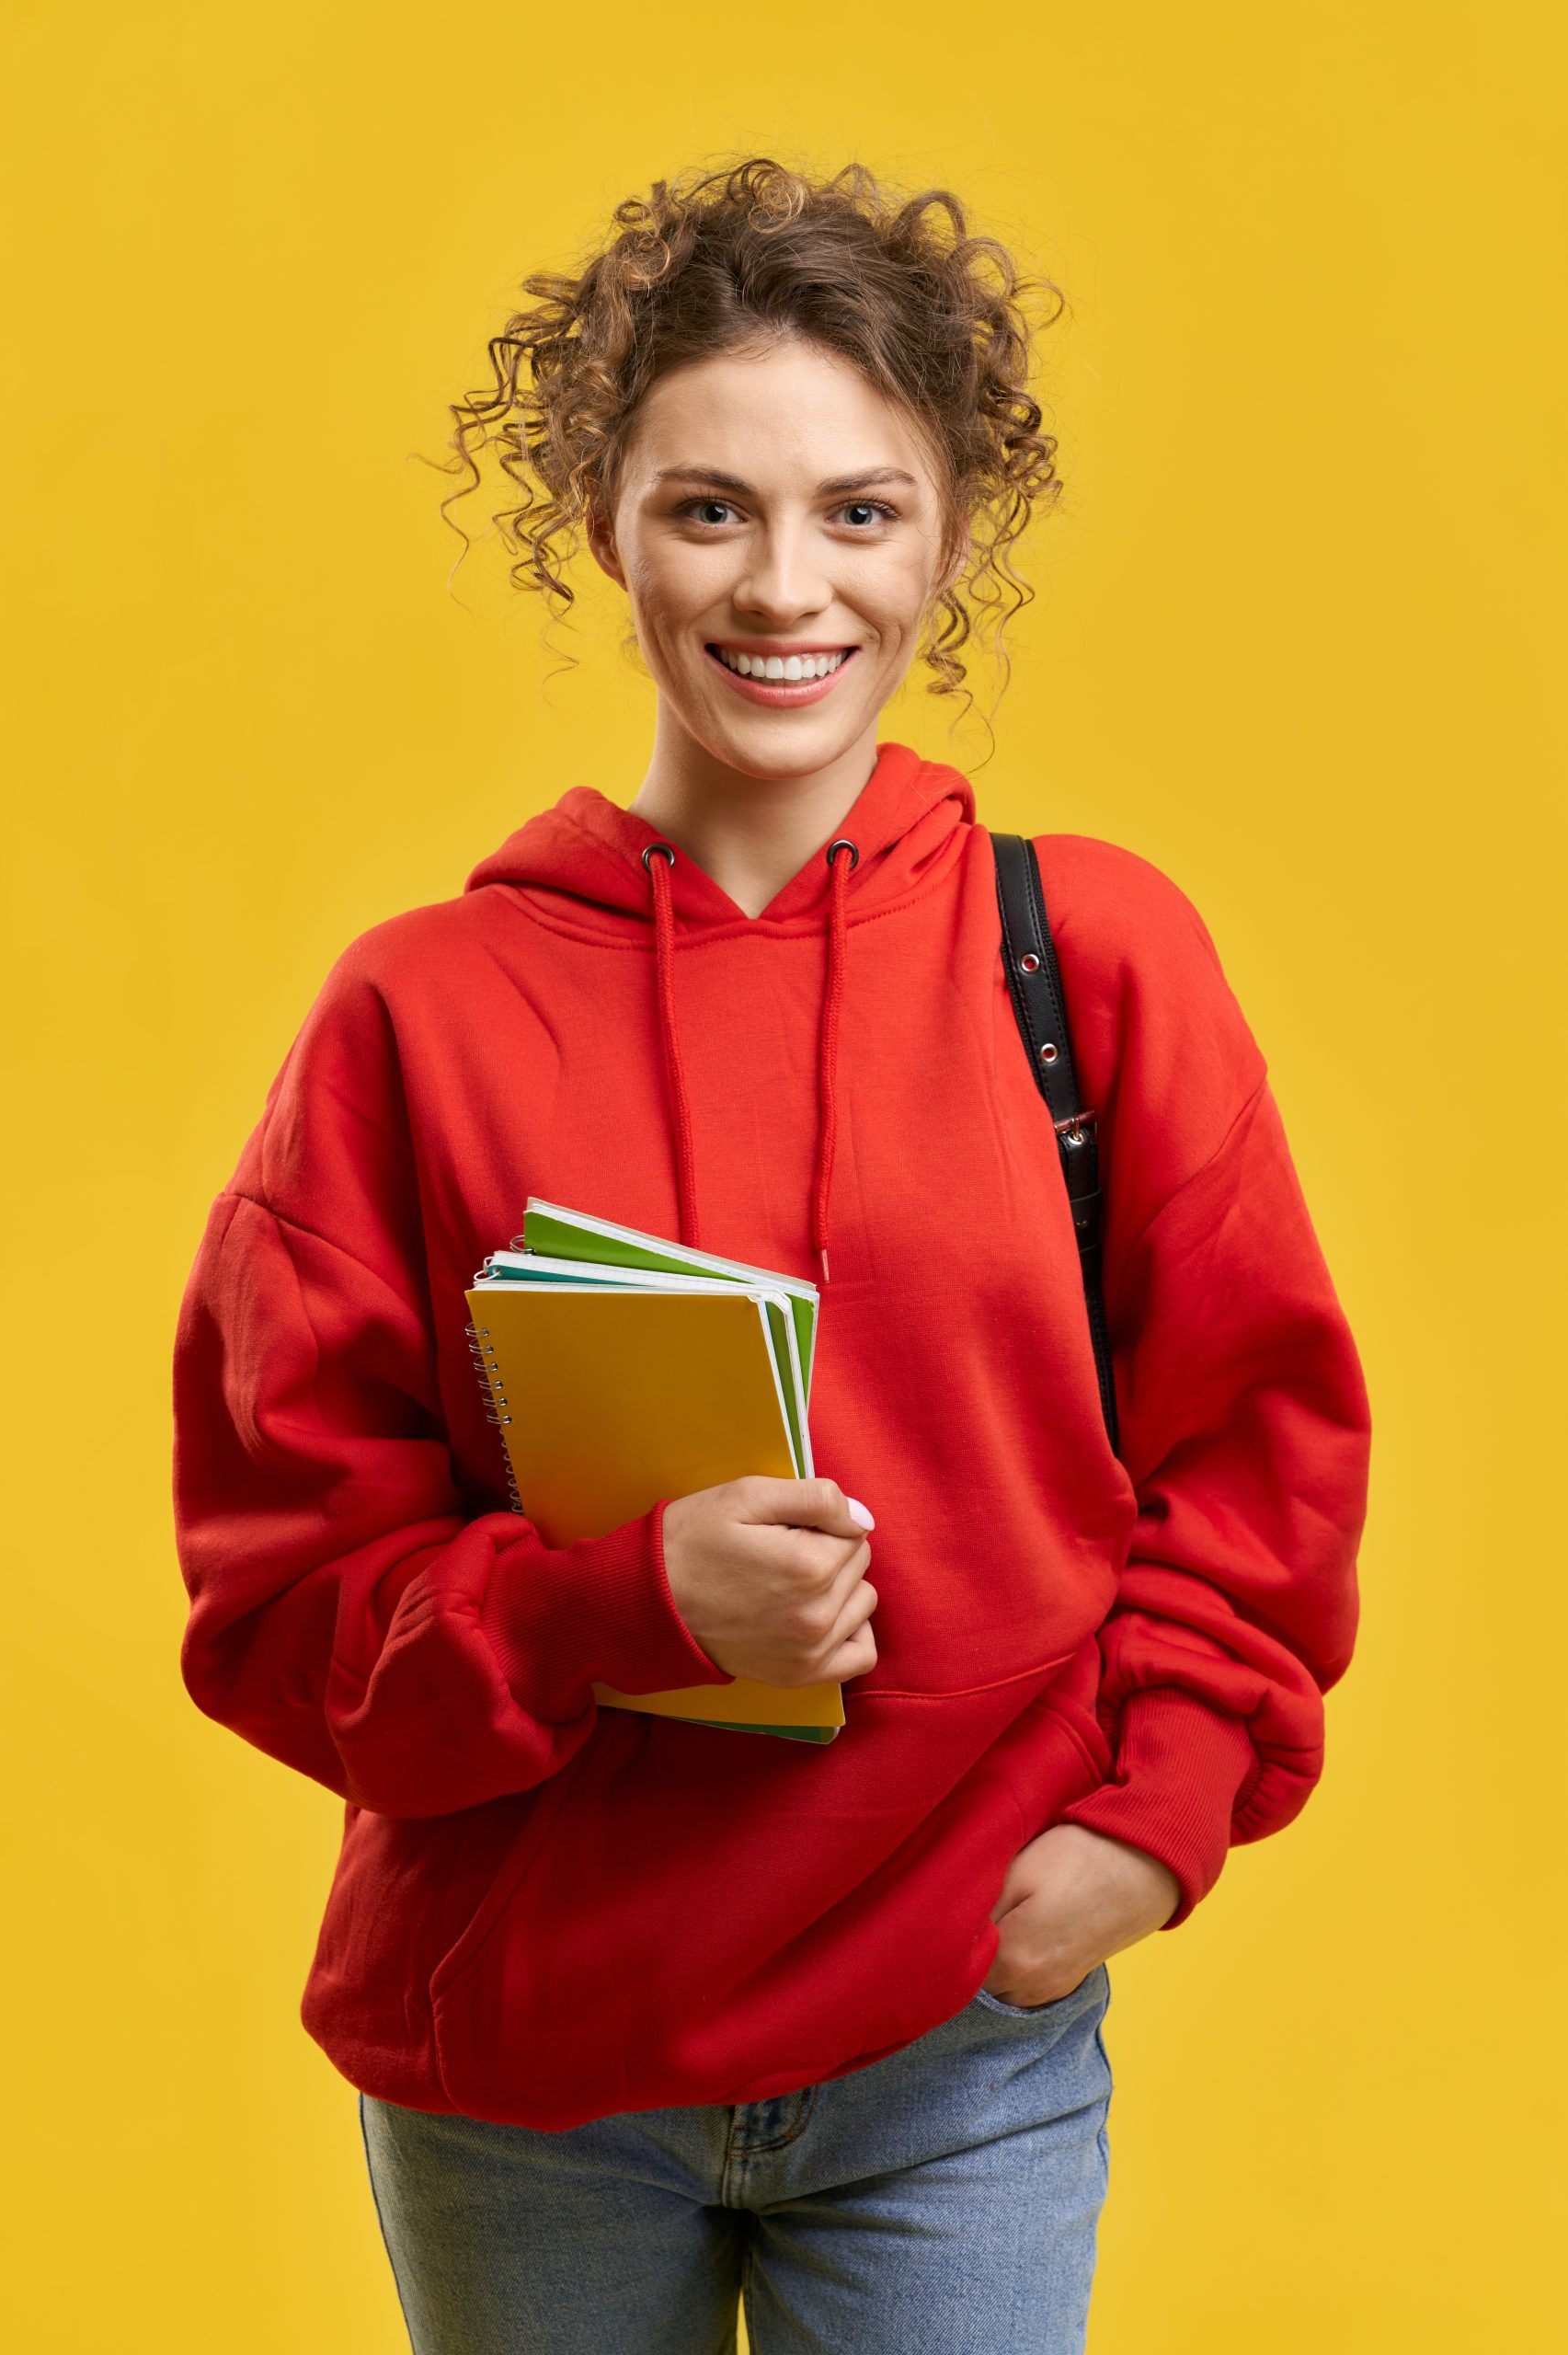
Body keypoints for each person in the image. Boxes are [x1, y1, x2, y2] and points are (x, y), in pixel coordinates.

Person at [172, 158, 1370, 2355]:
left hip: (956, 2049)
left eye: (857, 509)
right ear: (602, 525)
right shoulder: (413, 1011)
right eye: (706, 508)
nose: (782, 584)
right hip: (528, 2064)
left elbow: (1259, 1442)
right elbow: (274, 1600)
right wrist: (619, 1598)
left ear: (948, 538)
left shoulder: (1085, 957)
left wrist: (1160, 1808)